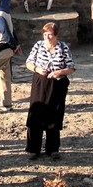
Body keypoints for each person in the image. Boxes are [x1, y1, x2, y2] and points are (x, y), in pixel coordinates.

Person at [24, 22, 76, 160]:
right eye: (45, 35)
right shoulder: (38, 46)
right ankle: (33, 149)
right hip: (41, 83)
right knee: (36, 114)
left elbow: (71, 67)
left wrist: (59, 72)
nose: (48, 37)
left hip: (57, 84)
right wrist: (37, 69)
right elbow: (29, 62)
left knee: (54, 114)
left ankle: (52, 148)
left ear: (56, 35)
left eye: (50, 35)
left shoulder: (63, 47)